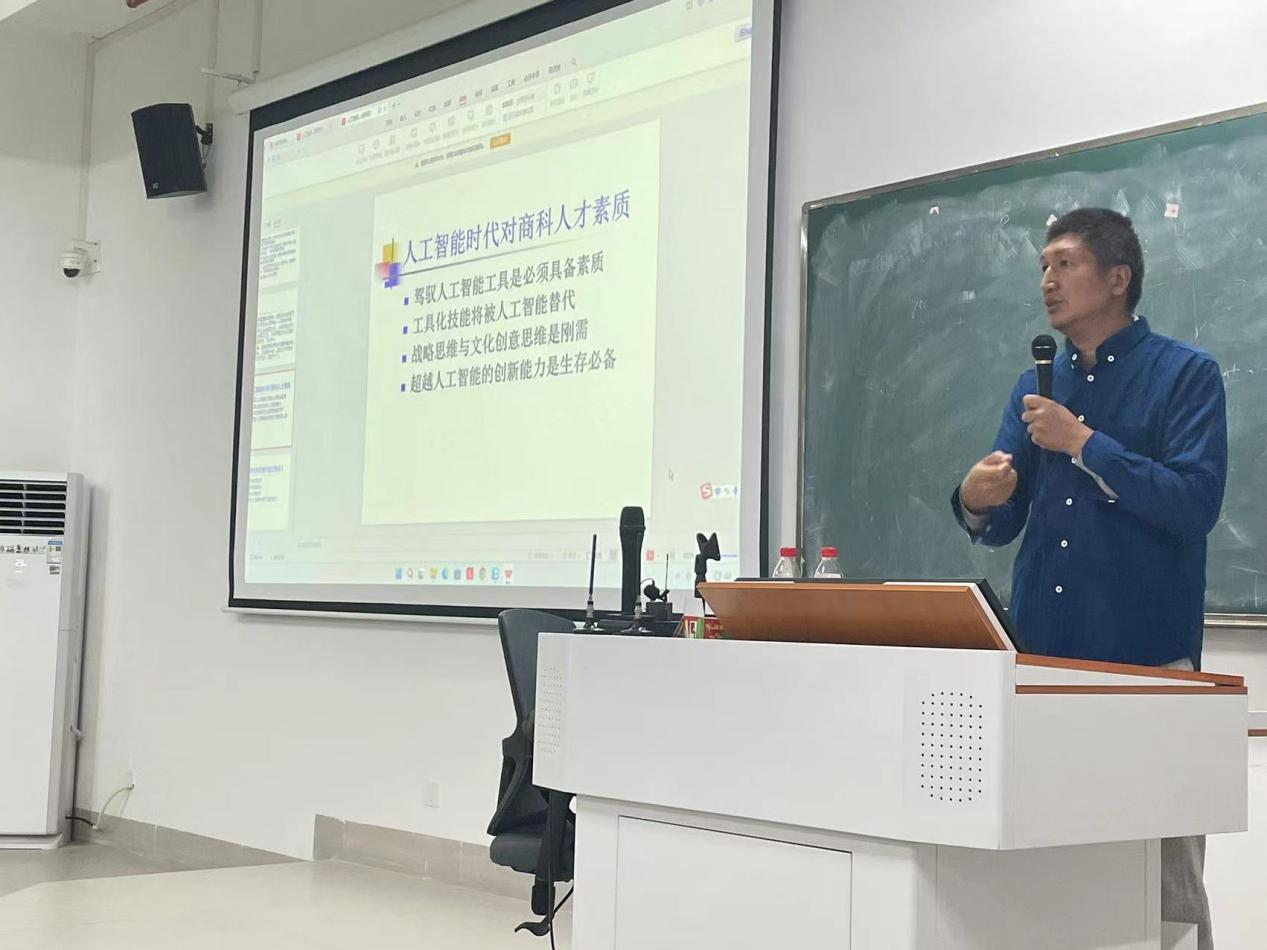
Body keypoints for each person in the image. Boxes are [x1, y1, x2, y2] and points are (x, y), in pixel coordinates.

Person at [951, 208, 1228, 949]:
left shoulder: (1185, 375)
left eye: (1065, 263)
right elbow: (1004, 522)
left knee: (1164, 879)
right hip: (1043, 665)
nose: (1047, 280)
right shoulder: (1034, 385)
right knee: (1058, 872)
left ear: (1117, 278)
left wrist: (1085, 444)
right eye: (1042, 266)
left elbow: (1194, 504)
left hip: (1146, 664)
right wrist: (976, 499)